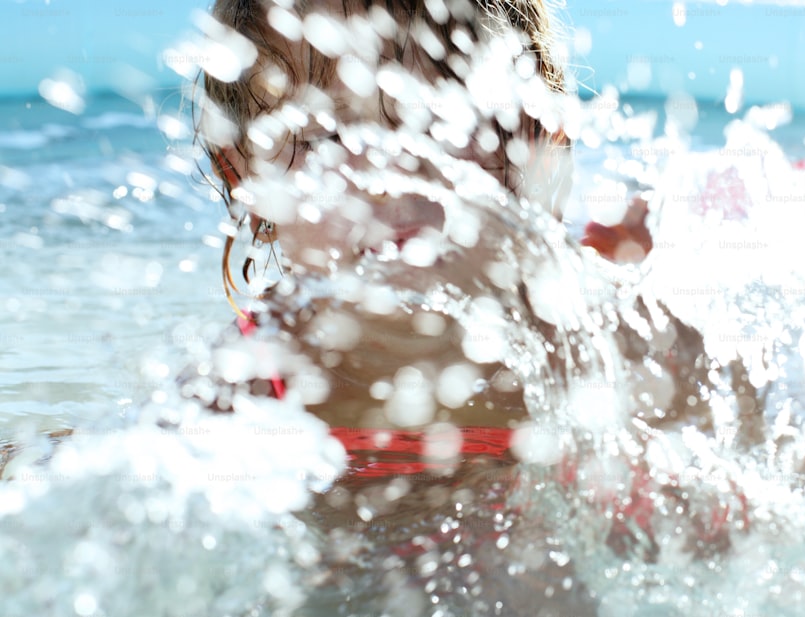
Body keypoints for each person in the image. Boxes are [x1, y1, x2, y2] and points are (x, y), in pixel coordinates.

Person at [187, 0, 744, 567]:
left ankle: (616, 238)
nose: (386, 179)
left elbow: (751, 440)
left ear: (527, 136)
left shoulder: (601, 344)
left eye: (431, 124)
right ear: (246, 177)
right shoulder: (251, 383)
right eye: (321, 137)